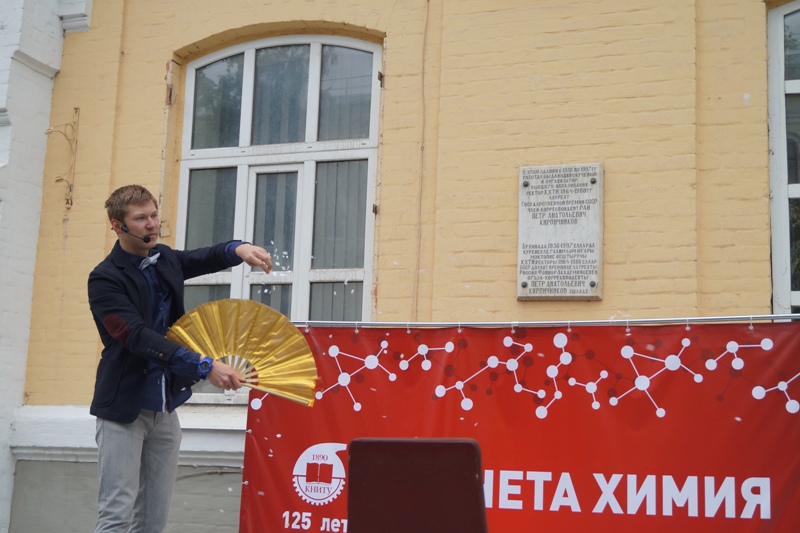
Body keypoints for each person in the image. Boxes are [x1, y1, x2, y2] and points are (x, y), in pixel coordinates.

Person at [87, 184, 273, 532]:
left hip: (165, 408)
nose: (151, 224)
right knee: (116, 515)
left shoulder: (165, 259)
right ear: (117, 225)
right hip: (124, 409)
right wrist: (204, 365)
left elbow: (205, 257)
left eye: (154, 215)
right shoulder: (104, 279)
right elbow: (137, 336)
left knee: (153, 519)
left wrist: (239, 248)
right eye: (140, 218)